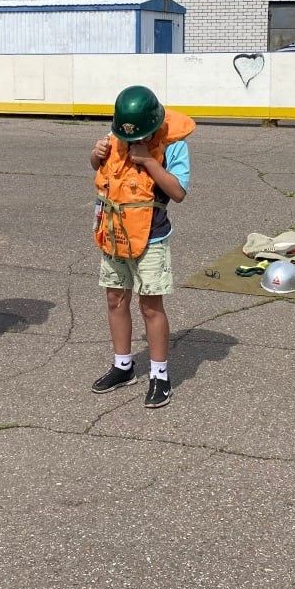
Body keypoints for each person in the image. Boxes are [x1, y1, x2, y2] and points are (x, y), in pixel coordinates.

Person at [89, 86, 194, 409]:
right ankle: (123, 366)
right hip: (114, 231)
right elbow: (98, 168)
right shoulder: (117, 134)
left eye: (142, 135)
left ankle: (160, 374)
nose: (134, 141)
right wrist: (96, 154)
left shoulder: (174, 145)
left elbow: (177, 192)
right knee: (115, 298)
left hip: (152, 236)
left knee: (150, 305)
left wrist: (149, 160)